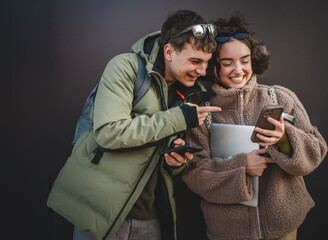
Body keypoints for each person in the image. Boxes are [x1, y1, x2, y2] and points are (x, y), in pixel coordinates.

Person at [47, 10, 221, 240]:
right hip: (103, 215)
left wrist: (174, 162)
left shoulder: (189, 92)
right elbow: (109, 133)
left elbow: (162, 156)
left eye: (207, 63)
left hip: (152, 219)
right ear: (169, 51)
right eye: (195, 61)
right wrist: (179, 118)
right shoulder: (125, 67)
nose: (202, 71)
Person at [181, 12, 328, 240]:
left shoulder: (280, 98)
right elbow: (193, 174)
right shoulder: (202, 113)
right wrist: (242, 167)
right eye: (227, 63)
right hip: (227, 232)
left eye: (244, 60)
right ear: (214, 67)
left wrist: (284, 138)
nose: (238, 70)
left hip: (283, 228)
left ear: (254, 59)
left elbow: (316, 152)